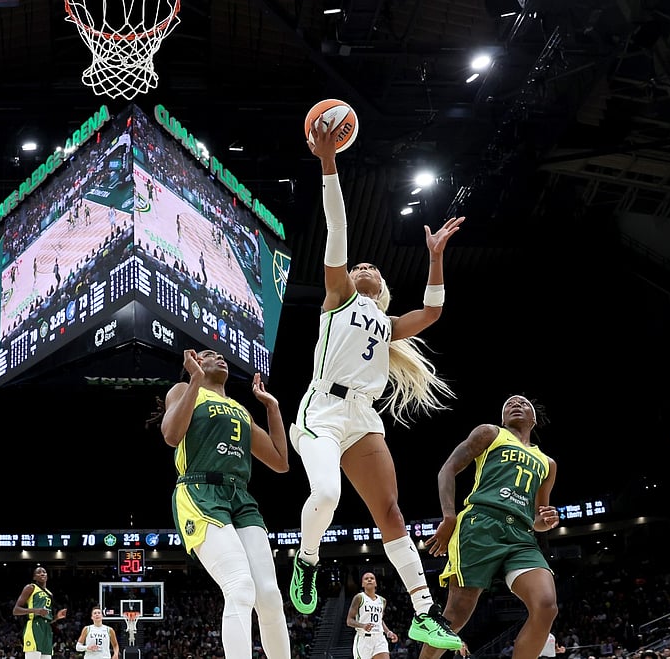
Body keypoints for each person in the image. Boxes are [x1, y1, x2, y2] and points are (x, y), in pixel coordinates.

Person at [288, 118, 465, 653]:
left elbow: (432, 312)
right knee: (326, 493)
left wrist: (434, 259)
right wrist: (328, 162)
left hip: (363, 418)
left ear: (382, 289)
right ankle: (308, 559)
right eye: (359, 264)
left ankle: (423, 613)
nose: (362, 265)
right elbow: (337, 229)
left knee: (391, 514)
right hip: (320, 411)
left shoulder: (386, 325)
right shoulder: (338, 296)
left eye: (372, 266)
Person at [151, 348, 292, 659]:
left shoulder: (239, 409)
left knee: (268, 595)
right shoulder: (184, 391)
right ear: (196, 363)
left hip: (240, 496)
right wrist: (195, 380)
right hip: (199, 490)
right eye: (208, 354)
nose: (219, 356)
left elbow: (281, 461)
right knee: (240, 586)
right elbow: (171, 435)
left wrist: (273, 409)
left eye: (220, 355)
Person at [420, 395, 561, 659]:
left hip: (521, 535)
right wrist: (449, 517)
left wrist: (547, 520)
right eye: (509, 403)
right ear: (502, 417)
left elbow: (537, 519)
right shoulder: (490, 433)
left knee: (546, 606)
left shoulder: (547, 463)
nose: (516, 404)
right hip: (481, 524)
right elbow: (447, 469)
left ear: (533, 419)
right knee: (455, 617)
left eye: (523, 403)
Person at [13, 566, 68, 659]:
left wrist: (56, 617)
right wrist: (35, 611)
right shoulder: (30, 587)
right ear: (34, 577)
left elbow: (47, 617)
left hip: (47, 628)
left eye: (44, 572)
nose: (42, 573)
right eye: (39, 572)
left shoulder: (50, 594)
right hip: (34, 626)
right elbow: (16, 610)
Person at [347, 572, 398, 659]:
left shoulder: (382, 601)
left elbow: (380, 620)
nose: (369, 580)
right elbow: (349, 621)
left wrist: (388, 632)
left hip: (379, 638)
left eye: (372, 578)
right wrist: (363, 626)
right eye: (366, 579)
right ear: (363, 584)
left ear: (376, 583)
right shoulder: (359, 597)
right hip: (364, 639)